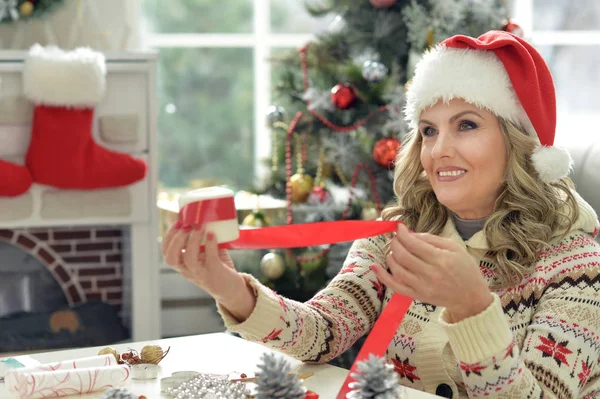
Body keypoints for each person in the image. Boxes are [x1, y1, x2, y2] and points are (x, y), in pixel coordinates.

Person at [161, 30, 600, 398]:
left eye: (466, 125)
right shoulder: (397, 235)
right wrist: (229, 288)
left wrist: (472, 307)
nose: (440, 149)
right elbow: (324, 331)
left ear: (520, 143)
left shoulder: (576, 264)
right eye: (428, 131)